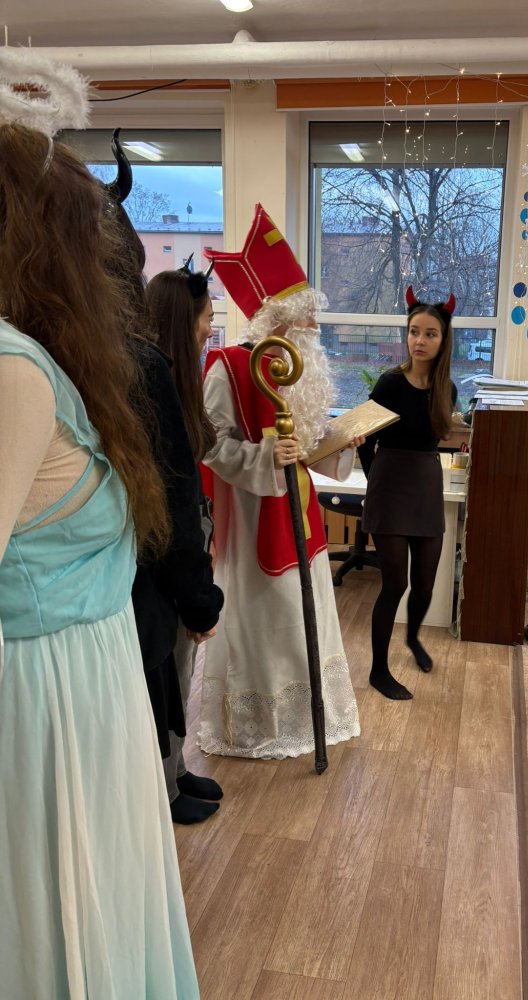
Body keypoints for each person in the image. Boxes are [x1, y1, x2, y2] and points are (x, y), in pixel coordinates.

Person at [0, 114, 199, 998]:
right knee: (56, 927)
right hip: (44, 705)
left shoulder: (49, 361)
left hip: (88, 688)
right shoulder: (14, 370)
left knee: (101, 921)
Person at [197, 203, 361, 759]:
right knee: (269, 620)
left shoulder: (297, 372)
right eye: (306, 316)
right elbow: (211, 445)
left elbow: (306, 447)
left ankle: (311, 716)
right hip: (253, 520)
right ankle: (257, 727)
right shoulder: (228, 366)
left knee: (304, 614)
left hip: (302, 517)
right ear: (277, 319)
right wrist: (267, 455)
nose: (314, 327)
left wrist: (339, 444)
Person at [143, 265, 226, 823]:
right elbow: (173, 500)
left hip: (190, 538)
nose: (210, 329)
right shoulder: (156, 386)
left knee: (183, 663)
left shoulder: (178, 382)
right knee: (167, 673)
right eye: (206, 318)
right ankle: (163, 786)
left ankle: (175, 768)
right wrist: (197, 591)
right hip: (166, 556)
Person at [357, 286, 458, 701]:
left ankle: (413, 637)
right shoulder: (389, 384)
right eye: (414, 331)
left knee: (425, 585)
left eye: (430, 333)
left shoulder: (447, 389)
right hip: (390, 486)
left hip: (425, 485)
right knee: (394, 583)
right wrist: (377, 483)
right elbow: (364, 441)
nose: (419, 340)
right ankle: (378, 671)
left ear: (443, 339)